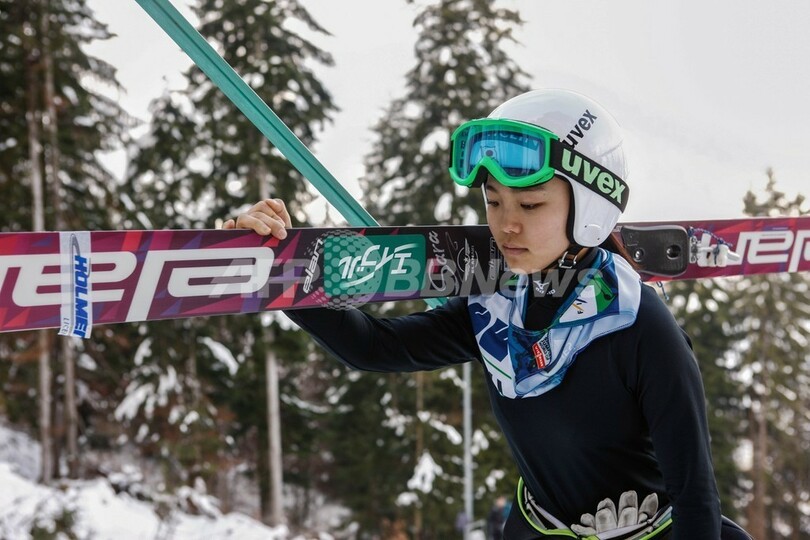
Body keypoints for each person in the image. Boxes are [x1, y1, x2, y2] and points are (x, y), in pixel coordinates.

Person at [224, 89, 752, 539]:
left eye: (530, 205)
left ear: (590, 206)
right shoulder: (499, 305)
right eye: (493, 201)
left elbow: (695, 492)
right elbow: (375, 347)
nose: (505, 225)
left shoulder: (640, 327)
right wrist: (283, 268)